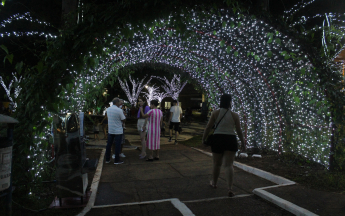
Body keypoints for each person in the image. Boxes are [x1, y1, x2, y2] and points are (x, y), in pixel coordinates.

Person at [202, 94, 245, 197]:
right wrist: (243, 143)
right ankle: (230, 188)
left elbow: (208, 127)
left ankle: (214, 183)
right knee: (229, 165)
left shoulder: (215, 113)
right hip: (230, 139)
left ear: (221, 101)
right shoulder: (235, 115)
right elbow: (239, 130)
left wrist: (204, 139)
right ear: (230, 102)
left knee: (217, 163)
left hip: (218, 138)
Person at [105, 98, 126, 164]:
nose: (120, 103)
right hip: (118, 130)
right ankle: (117, 160)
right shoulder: (119, 110)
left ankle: (107, 159)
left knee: (109, 145)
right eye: (119, 102)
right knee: (117, 145)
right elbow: (123, 119)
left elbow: (108, 118)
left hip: (111, 130)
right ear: (117, 103)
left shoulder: (108, 109)